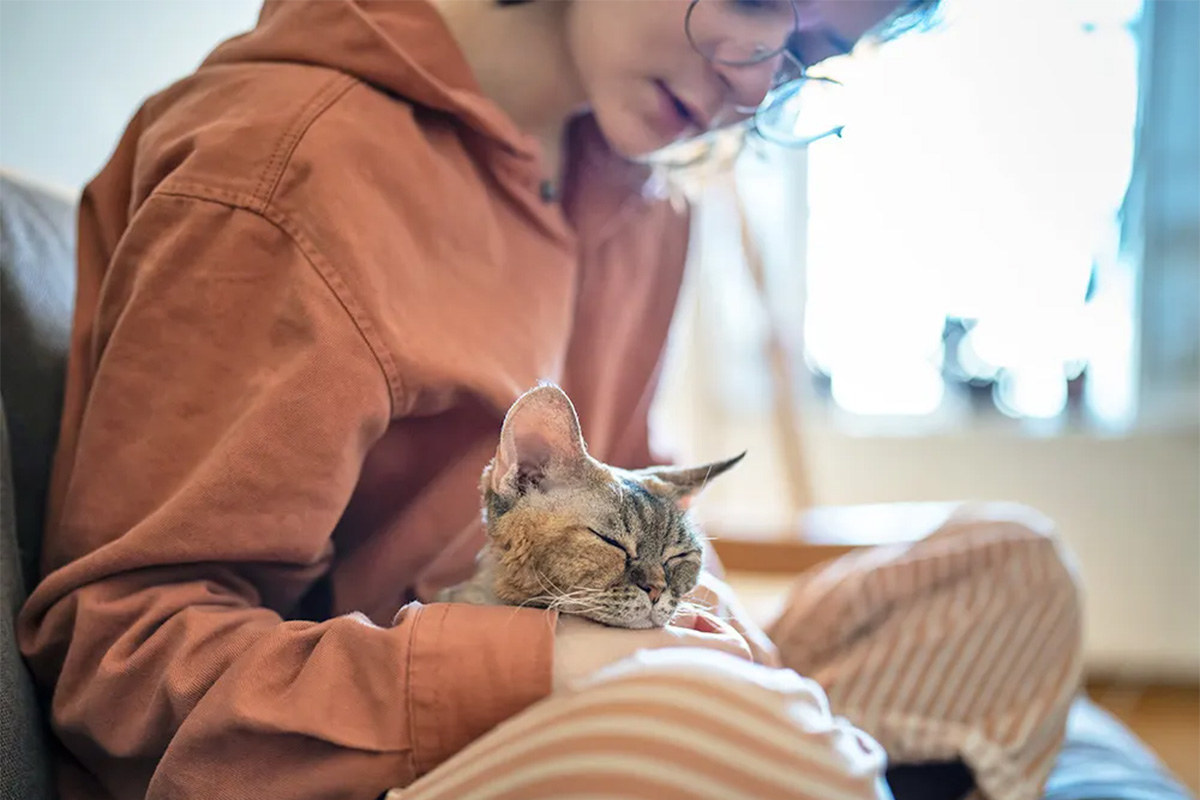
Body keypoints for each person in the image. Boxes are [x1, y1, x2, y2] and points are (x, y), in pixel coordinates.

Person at [17, 1, 1083, 799]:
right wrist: (552, 667)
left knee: (1014, 568)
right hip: (390, 742)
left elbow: (632, 486)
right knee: (746, 739)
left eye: (808, 55)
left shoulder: (648, 201)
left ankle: (789, 751)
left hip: (607, 660)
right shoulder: (284, 165)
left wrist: (710, 632)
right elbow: (121, 669)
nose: (758, 86)